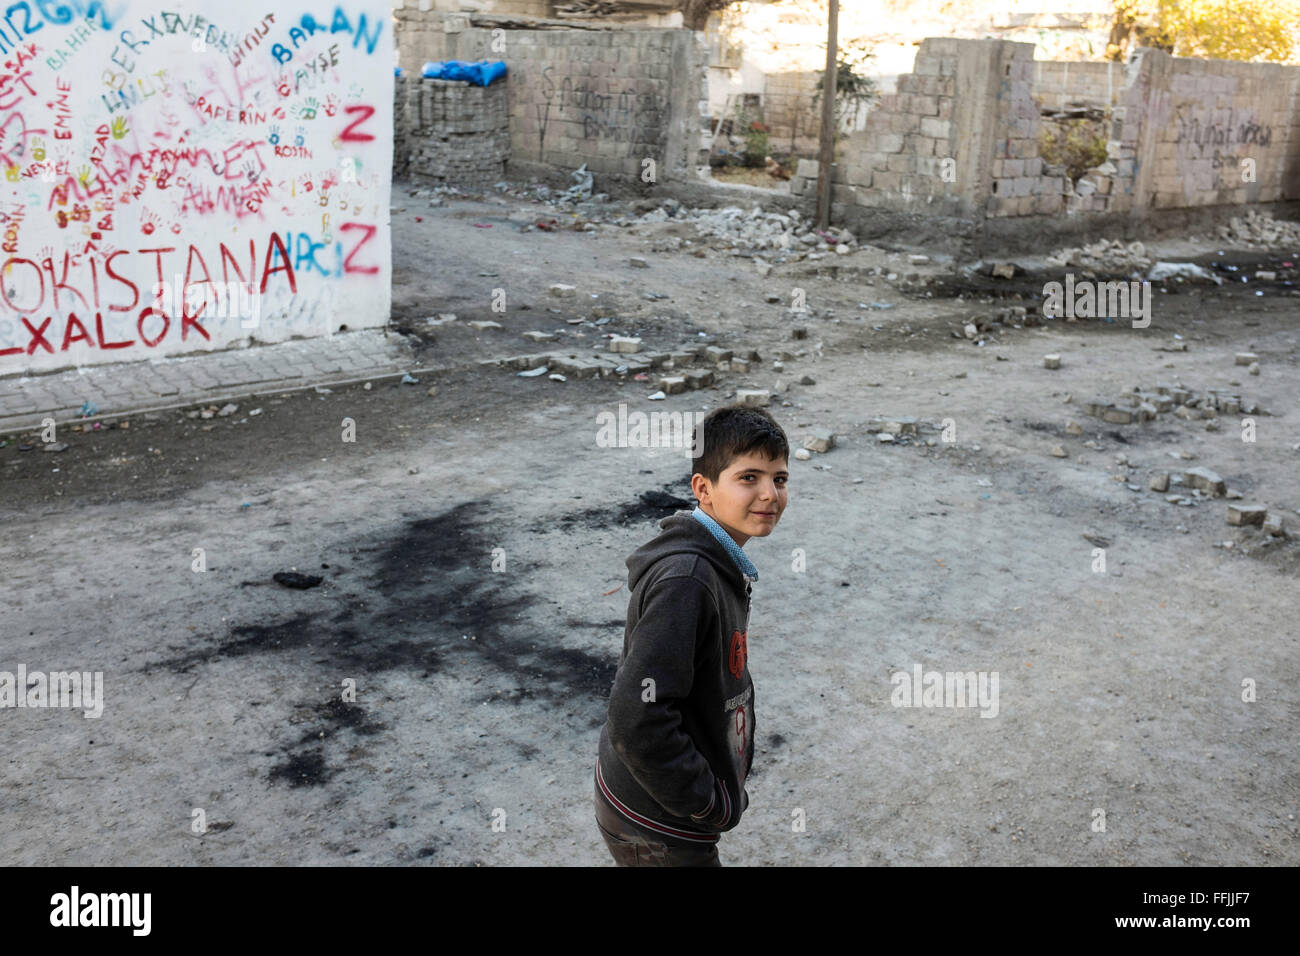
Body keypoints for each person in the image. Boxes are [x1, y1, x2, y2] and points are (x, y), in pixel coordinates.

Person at [593, 404, 790, 866]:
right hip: (657, 820)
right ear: (703, 488)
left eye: (779, 479)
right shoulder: (689, 578)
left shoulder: (715, 562)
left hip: (660, 808)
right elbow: (636, 717)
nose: (769, 494)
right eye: (749, 478)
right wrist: (705, 802)